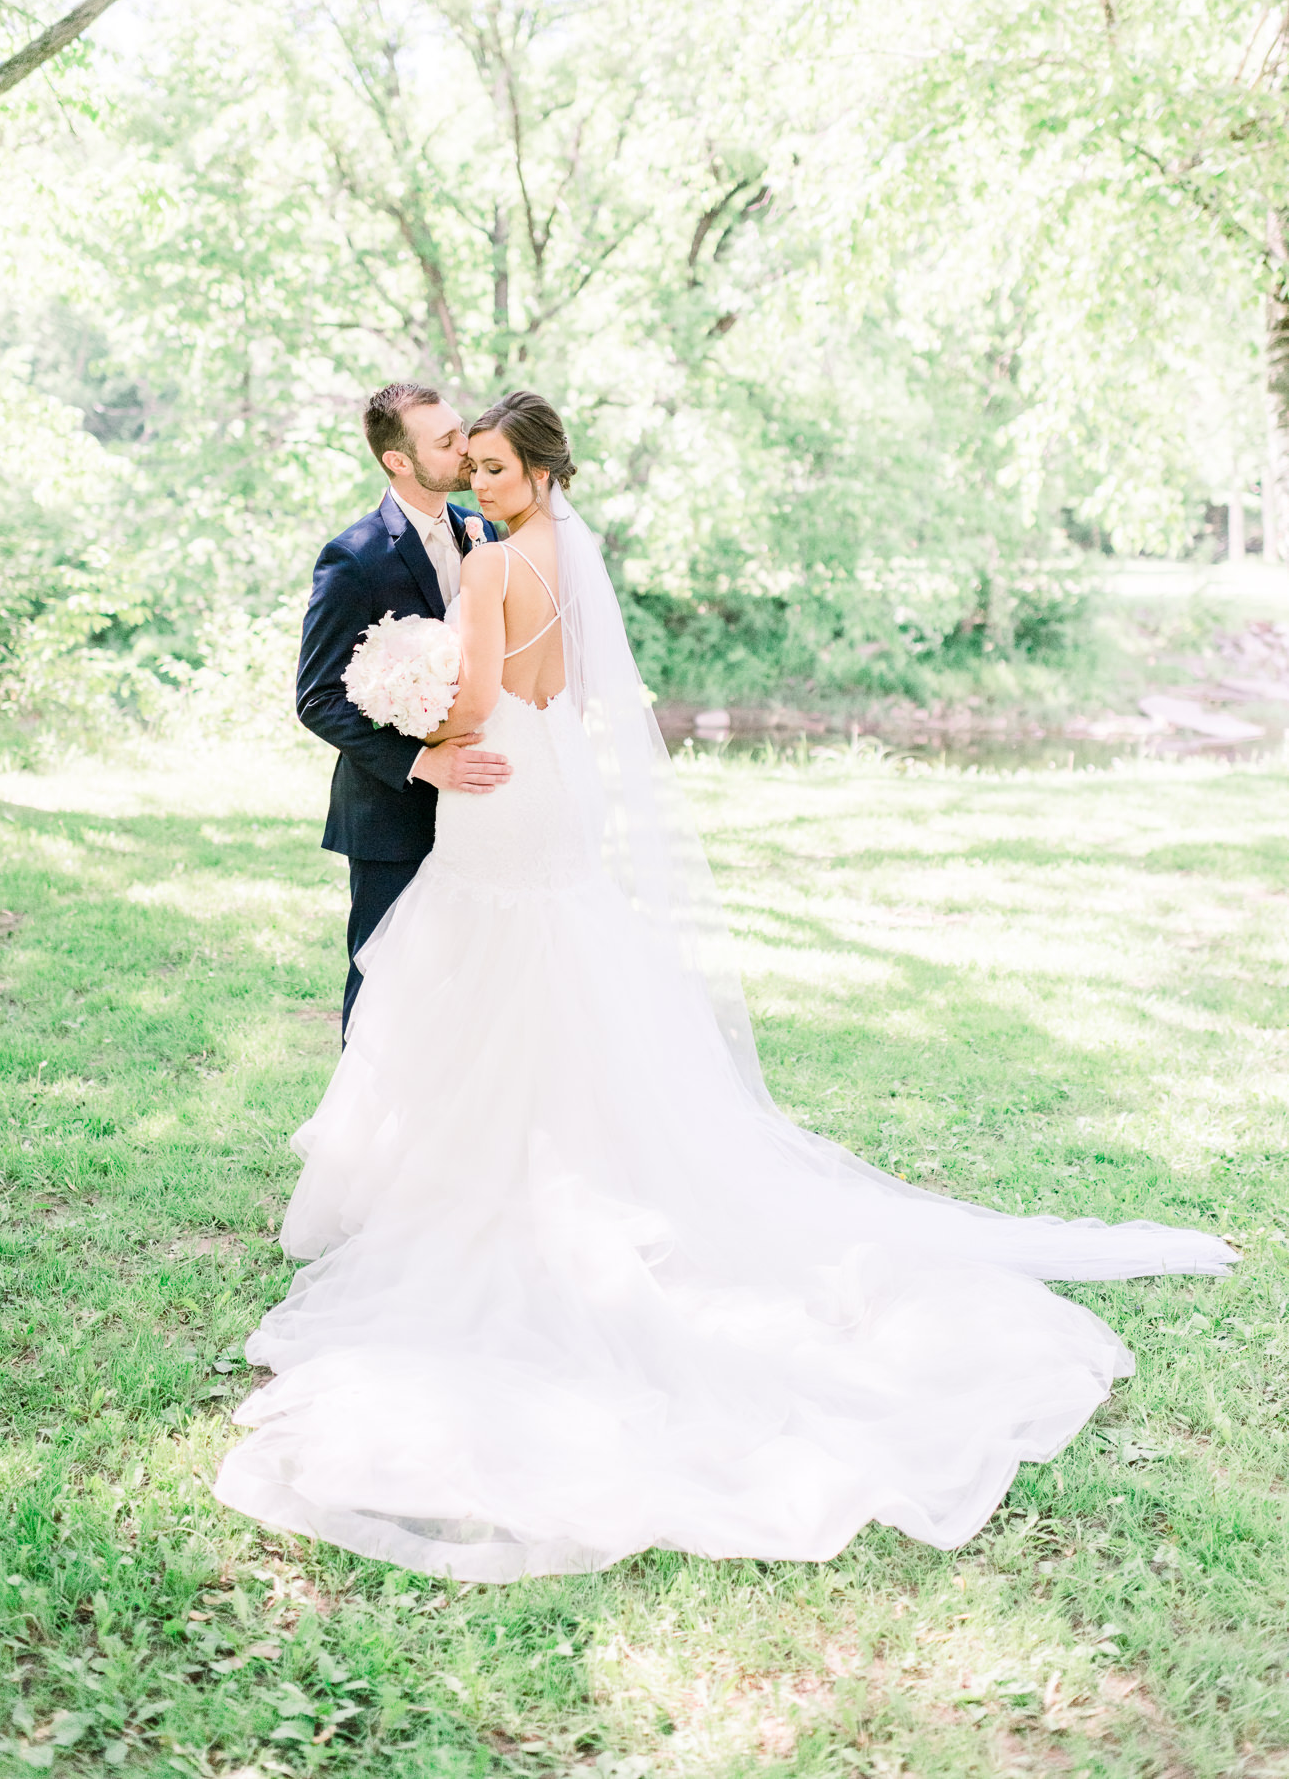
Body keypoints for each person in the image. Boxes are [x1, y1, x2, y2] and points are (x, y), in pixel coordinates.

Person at [216, 391, 1235, 1582]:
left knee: (471, 981)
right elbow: (450, 692)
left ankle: (487, 1195)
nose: (476, 477)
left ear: (533, 474)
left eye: (490, 463)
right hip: (520, 793)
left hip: (495, 784)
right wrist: (401, 719)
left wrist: (426, 693)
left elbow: (482, 697)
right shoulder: (522, 553)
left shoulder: (492, 566)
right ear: (408, 459)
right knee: (501, 984)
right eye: (462, 458)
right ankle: (481, 1175)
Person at [295, 382, 512, 1040]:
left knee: (473, 978)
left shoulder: (486, 532)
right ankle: (358, 1139)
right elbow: (317, 697)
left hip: (481, 804)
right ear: (398, 461)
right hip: (389, 811)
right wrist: (423, 760)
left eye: (461, 431)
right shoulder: (354, 557)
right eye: (446, 441)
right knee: (385, 978)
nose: (466, 448)